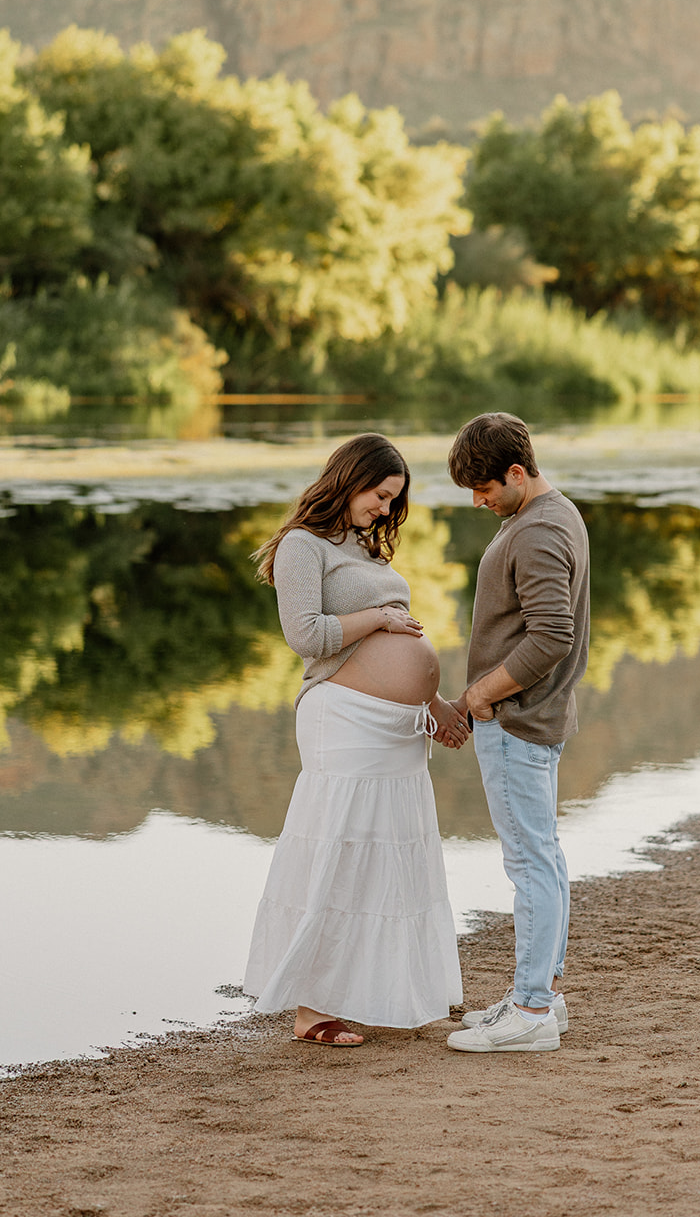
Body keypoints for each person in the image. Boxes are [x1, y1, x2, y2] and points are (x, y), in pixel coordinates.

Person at [243, 432, 469, 1048]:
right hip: (341, 720)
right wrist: (381, 619)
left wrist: (437, 704)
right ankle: (312, 1010)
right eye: (378, 494)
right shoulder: (301, 546)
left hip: (395, 729)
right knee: (342, 851)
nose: (384, 509)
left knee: (393, 856)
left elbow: (397, 653)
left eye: (393, 500)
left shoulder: (364, 551)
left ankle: (381, 991)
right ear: (347, 479)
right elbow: (307, 636)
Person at [445, 412, 590, 1055]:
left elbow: (553, 635)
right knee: (545, 856)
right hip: (537, 718)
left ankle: (531, 1008)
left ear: (515, 472)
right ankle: (541, 995)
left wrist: (479, 694)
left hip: (517, 722)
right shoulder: (551, 515)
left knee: (530, 863)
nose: (479, 502)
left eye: (484, 489)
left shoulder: (535, 531)